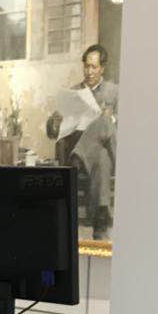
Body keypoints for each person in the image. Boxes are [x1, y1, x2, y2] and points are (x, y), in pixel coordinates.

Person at [46, 43, 118, 240]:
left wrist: (112, 118)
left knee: (104, 124)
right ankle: (101, 218)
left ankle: (79, 157)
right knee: (102, 157)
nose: (89, 71)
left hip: (101, 144)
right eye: (86, 66)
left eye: (94, 67)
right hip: (81, 145)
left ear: (102, 68)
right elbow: (53, 131)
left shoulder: (114, 91)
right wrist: (54, 121)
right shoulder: (73, 93)